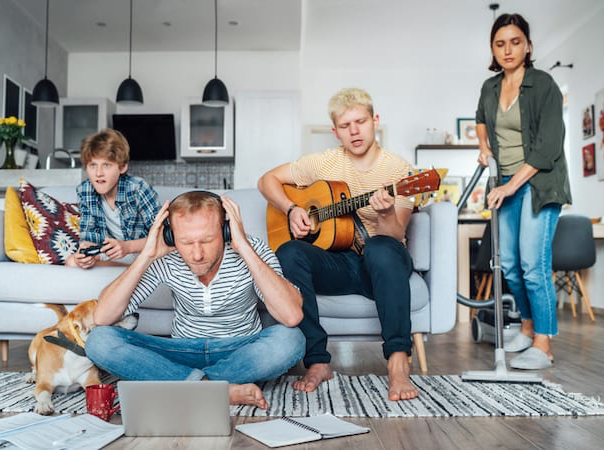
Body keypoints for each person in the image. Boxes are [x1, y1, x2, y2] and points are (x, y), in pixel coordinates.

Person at [257, 88, 419, 401]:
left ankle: (398, 360)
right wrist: (292, 209)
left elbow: (396, 236)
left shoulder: (400, 171)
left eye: (360, 121)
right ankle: (317, 361)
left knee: (380, 248)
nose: (354, 131)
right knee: (289, 251)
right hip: (341, 263)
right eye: (345, 126)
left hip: (383, 266)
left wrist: (385, 212)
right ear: (335, 132)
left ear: (375, 120)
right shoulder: (324, 163)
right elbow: (267, 180)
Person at [84, 191, 305, 408]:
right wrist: (146, 255)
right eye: (186, 242)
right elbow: (103, 316)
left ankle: (185, 385)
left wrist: (245, 248)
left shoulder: (252, 249)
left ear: (226, 231)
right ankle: (213, 389)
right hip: (181, 351)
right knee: (99, 340)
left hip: (239, 351)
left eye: (208, 240)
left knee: (291, 339)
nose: (197, 254)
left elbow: (291, 315)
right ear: (171, 237)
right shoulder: (164, 255)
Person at [475, 13, 571, 370]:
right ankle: (527, 328)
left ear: (528, 45)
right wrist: (484, 147)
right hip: (506, 185)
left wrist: (510, 185)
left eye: (515, 42)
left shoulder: (543, 84)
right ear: (493, 49)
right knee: (511, 265)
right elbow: (480, 119)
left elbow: (547, 148)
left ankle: (544, 344)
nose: (508, 49)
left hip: (538, 184)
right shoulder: (490, 87)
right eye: (500, 43)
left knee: (533, 264)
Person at [66, 128, 160, 268]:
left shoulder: (138, 188)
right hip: (113, 256)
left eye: (107, 165)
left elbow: (164, 237)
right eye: (93, 165)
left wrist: (128, 247)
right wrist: (86, 253)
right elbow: (89, 237)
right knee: (72, 262)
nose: (98, 173)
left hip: (144, 253)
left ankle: (132, 274)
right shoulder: (85, 190)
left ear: (122, 167)